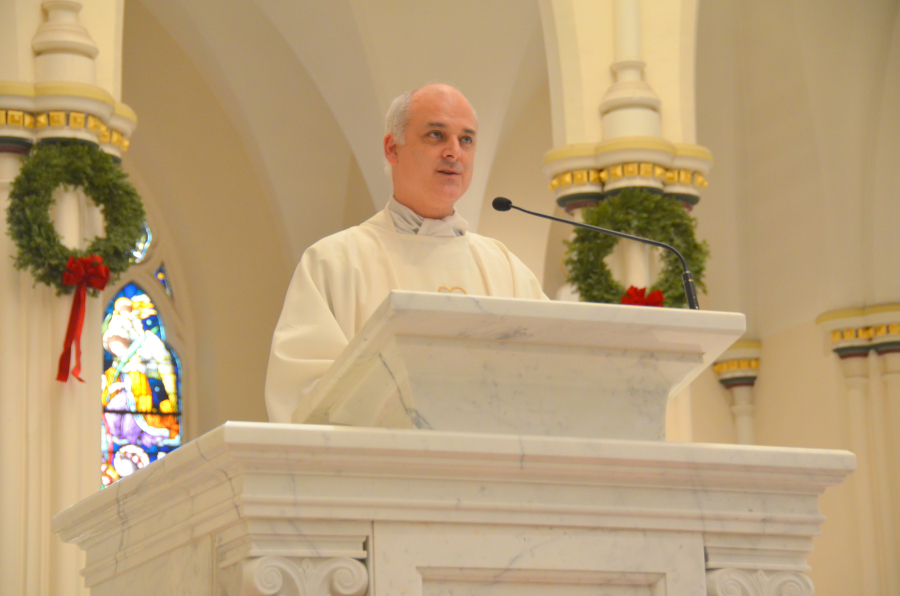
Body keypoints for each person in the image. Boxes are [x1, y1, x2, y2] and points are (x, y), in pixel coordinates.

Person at [265, 84, 547, 423]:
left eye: (466, 139)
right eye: (436, 135)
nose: (454, 152)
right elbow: (301, 395)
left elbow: (550, 376)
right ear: (391, 148)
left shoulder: (505, 268)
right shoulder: (333, 263)